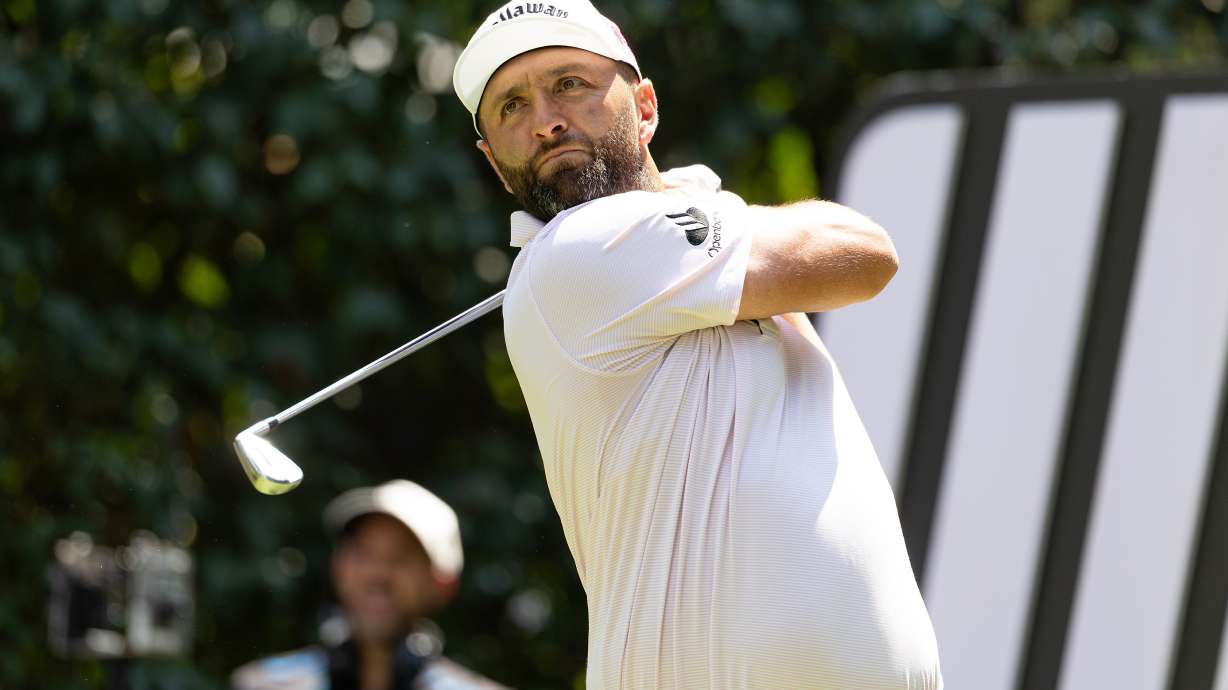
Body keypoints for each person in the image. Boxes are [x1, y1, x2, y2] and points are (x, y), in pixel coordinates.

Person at [451, 1, 944, 688]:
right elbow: (864, 252)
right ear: (495, 164)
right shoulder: (575, 253)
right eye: (510, 107)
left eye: (569, 83)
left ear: (644, 106)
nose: (546, 120)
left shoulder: (674, 253)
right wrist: (713, 208)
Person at [232, 480, 509, 690]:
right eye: (362, 553)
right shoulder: (260, 685)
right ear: (337, 566)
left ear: (443, 584)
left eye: (400, 558)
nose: (377, 574)